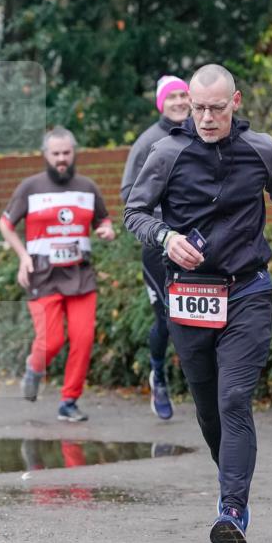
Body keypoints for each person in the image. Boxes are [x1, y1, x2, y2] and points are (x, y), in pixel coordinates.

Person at [124, 64, 272, 543]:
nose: (206, 118)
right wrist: (166, 237)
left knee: (234, 399)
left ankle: (232, 510)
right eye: (198, 107)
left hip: (248, 290)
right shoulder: (166, 153)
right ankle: (228, 482)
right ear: (188, 104)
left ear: (236, 102)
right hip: (188, 296)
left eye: (216, 107)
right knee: (209, 409)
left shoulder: (261, 149)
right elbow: (135, 213)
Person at [0, 126, 115, 422]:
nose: (62, 159)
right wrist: (23, 257)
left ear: (73, 153)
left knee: (83, 339)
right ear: (46, 155)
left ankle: (69, 401)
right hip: (43, 277)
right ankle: (34, 367)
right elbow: (5, 224)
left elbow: (104, 218)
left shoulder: (87, 187)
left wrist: (107, 230)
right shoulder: (30, 187)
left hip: (80, 277)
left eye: (66, 153)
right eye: (56, 154)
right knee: (51, 342)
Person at [121, 75, 191, 420]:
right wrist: (161, 227)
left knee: (205, 315)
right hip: (159, 246)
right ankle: (159, 374)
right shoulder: (148, 142)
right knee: (167, 317)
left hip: (200, 243)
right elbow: (129, 196)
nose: (179, 101)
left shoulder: (203, 134)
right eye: (172, 96)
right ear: (160, 103)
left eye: (184, 95)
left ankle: (210, 387)